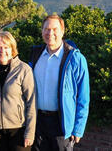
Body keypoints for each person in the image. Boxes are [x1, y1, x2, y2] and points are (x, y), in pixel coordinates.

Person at [30, 14, 90, 151]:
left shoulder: (76, 59)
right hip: (38, 123)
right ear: (42, 31)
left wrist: (78, 129)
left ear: (62, 31)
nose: (50, 33)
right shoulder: (35, 55)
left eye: (54, 29)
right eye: (46, 29)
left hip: (61, 124)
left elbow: (83, 97)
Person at [0, 31, 36, 151]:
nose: (2, 51)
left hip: (19, 130)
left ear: (12, 49)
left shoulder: (24, 70)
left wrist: (29, 133)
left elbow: (32, 103)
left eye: (6, 47)